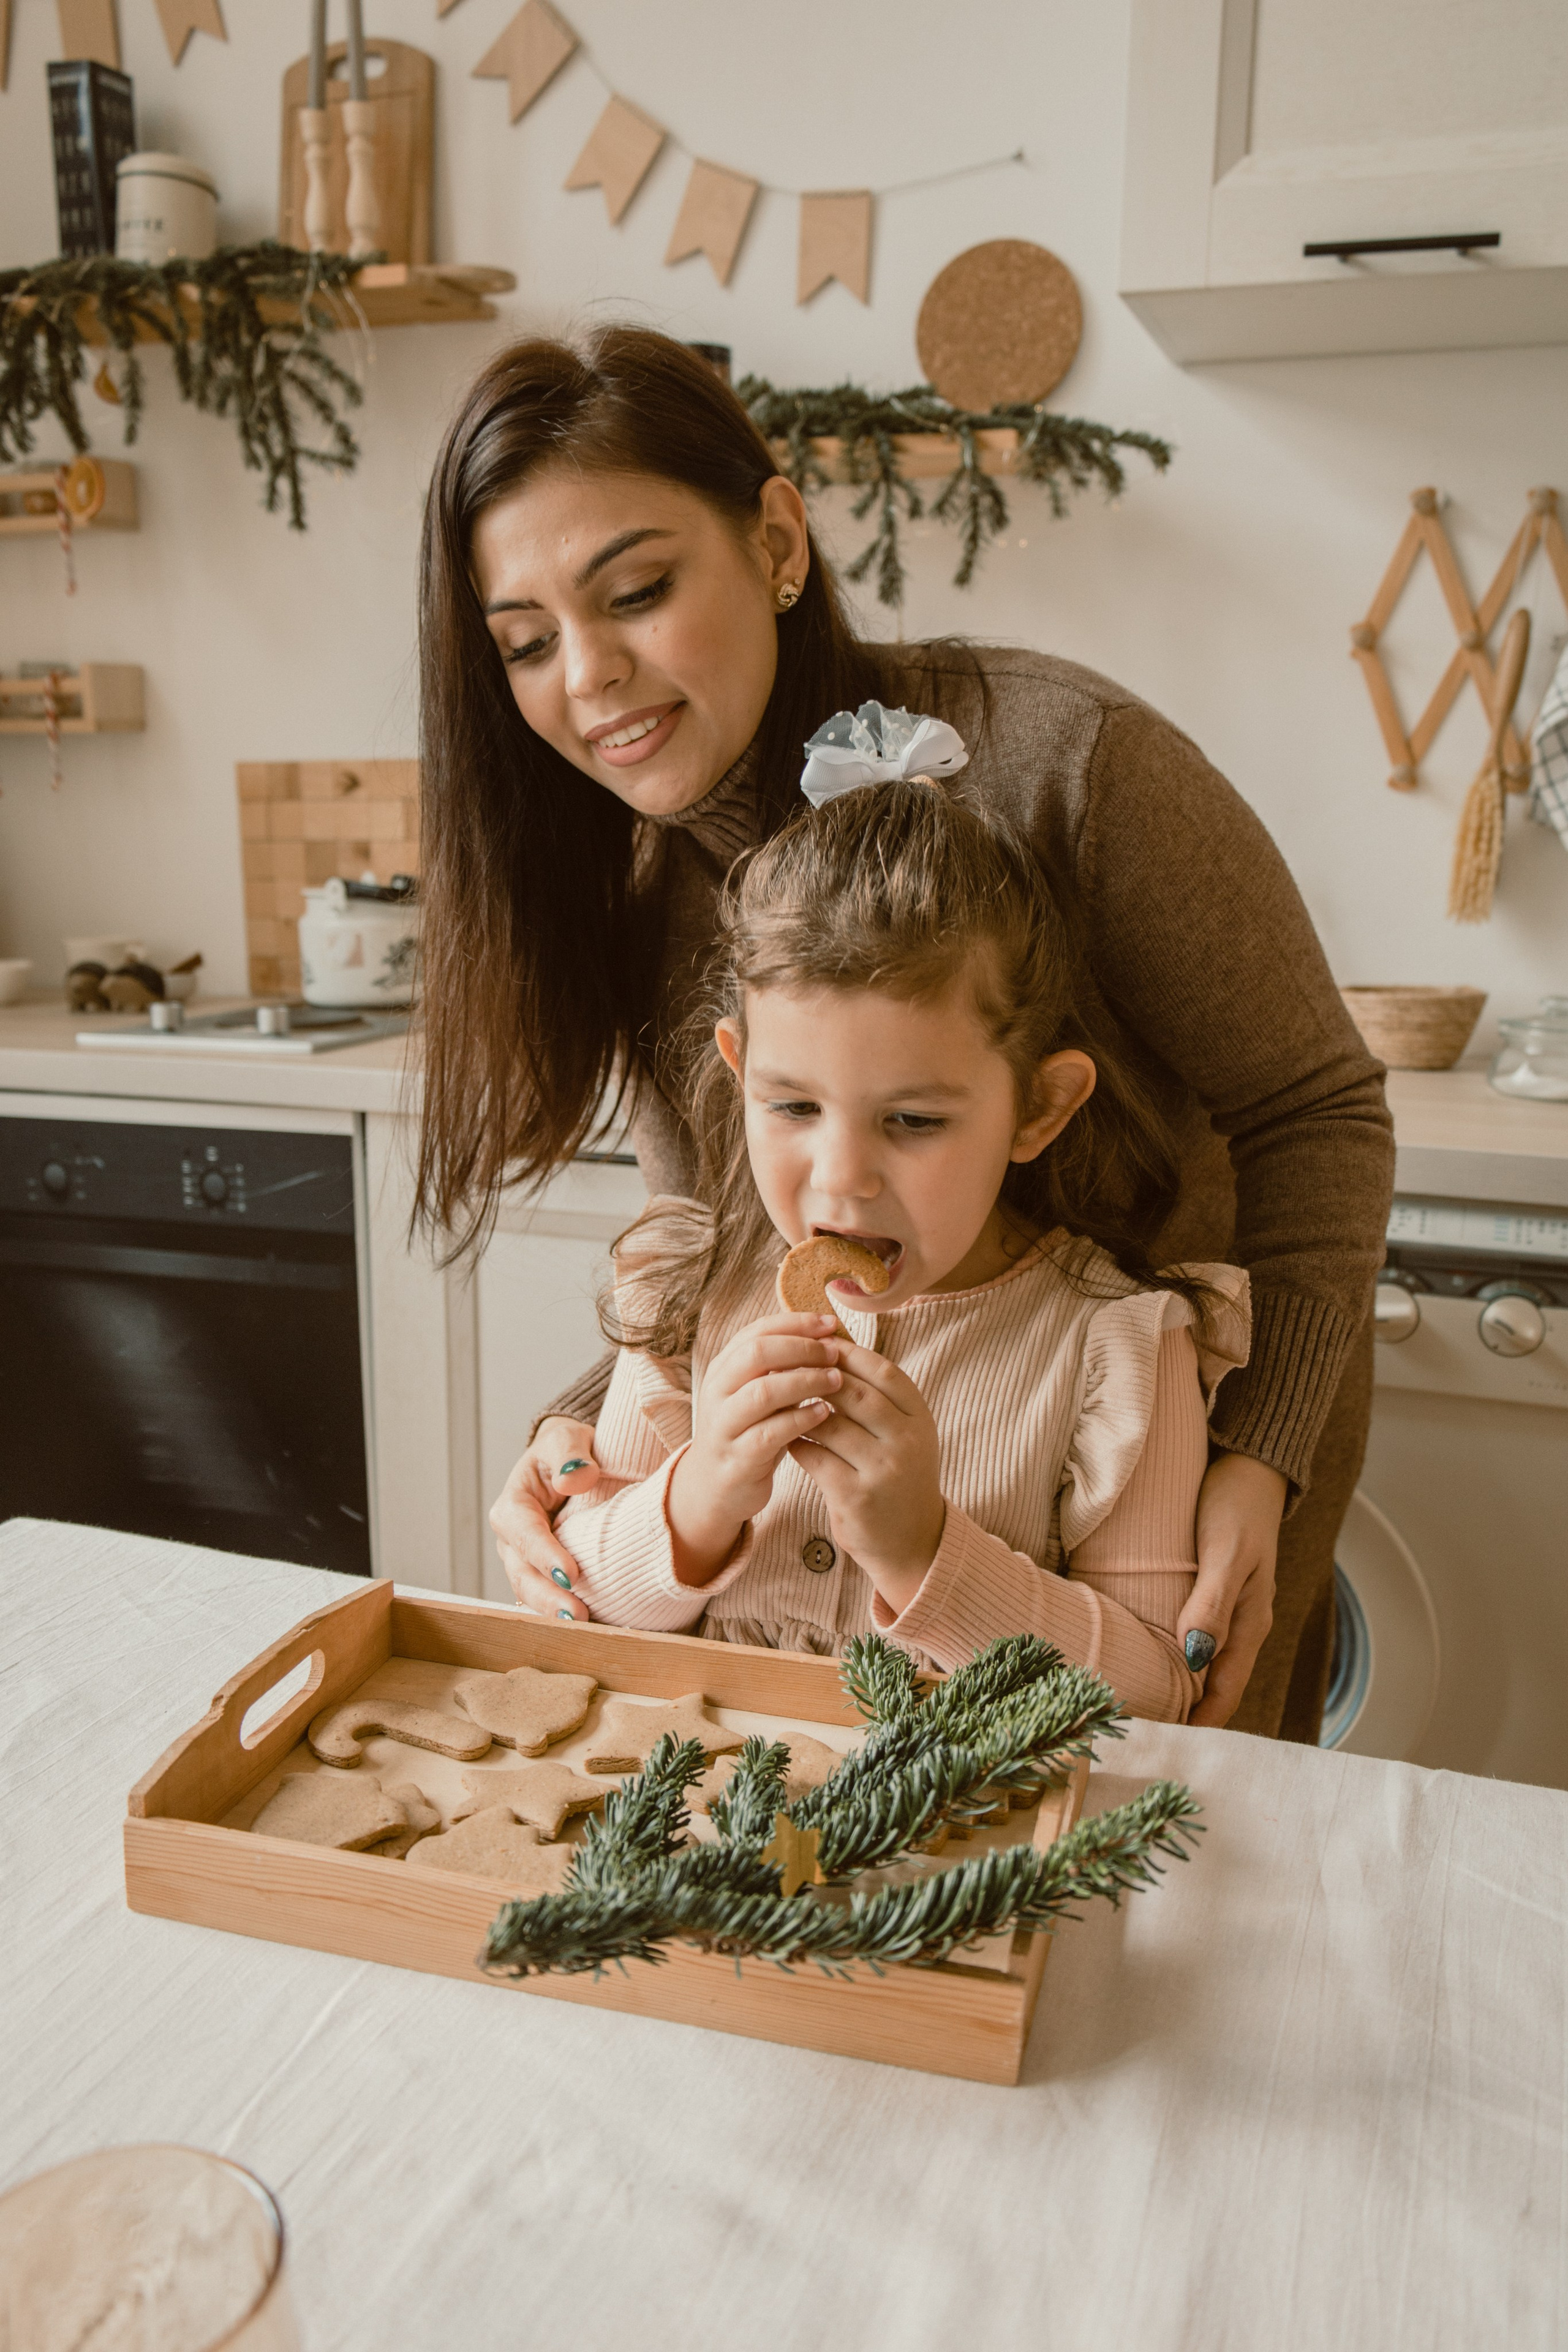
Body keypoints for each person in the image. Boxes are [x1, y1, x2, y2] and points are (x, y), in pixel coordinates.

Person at [415, 327, 1394, 1740]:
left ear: (774, 542)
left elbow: (1316, 1116)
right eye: (523, 643)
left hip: (1171, 1479)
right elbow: (722, 1248)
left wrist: (1259, 1455)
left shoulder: (1072, 764)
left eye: (635, 592)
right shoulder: (635, 892)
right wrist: (583, 1455)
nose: (589, 676)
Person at [546, 728, 1250, 1719]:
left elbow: (1155, 1696)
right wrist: (699, 1497)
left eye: (914, 1121)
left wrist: (925, 1553)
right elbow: (570, 1598)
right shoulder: (686, 1293)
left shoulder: (1118, 1347)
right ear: (741, 1074)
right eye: (794, 1106)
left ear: (1039, 1109)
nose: (843, 1178)